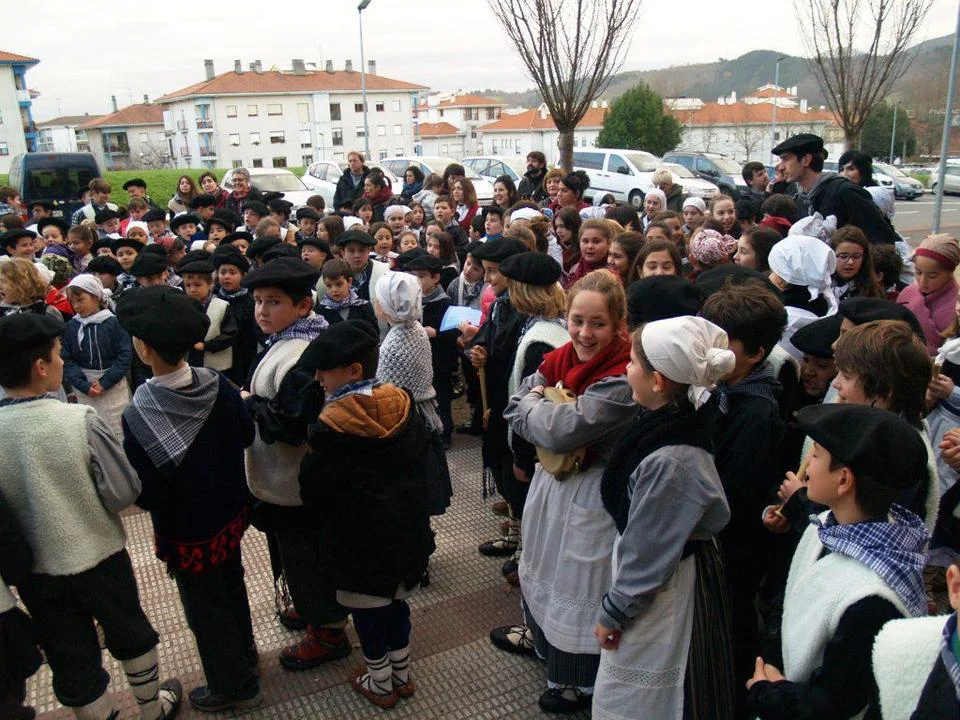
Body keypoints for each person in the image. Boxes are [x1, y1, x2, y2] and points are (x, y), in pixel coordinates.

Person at [0, 312, 183, 720]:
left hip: (38, 573)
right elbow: (123, 492)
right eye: (58, 353)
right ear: (41, 366)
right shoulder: (78, 420)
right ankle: (152, 709)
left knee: (70, 654)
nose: (63, 361)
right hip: (100, 555)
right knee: (130, 632)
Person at [117, 286, 261, 713]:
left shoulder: (140, 412)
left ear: (144, 348)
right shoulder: (216, 384)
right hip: (231, 514)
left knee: (205, 608)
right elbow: (246, 435)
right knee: (232, 584)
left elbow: (148, 492)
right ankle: (245, 653)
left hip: (187, 533)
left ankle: (234, 686)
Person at [503, 270, 637, 713]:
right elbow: (517, 406)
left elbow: (560, 431)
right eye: (577, 321)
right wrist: (540, 408)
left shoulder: (622, 378)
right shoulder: (560, 357)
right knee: (546, 567)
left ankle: (579, 683)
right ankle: (544, 646)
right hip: (553, 486)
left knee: (579, 582)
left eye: (598, 323)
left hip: (594, 494)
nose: (584, 333)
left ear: (619, 325)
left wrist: (537, 403)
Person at [747, 404, 931, 719]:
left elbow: (836, 699)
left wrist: (768, 693)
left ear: (844, 480)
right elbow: (791, 602)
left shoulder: (873, 597)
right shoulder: (824, 528)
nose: (808, 462)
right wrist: (772, 662)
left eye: (817, 455)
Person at [593, 315, 735, 719]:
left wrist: (614, 611)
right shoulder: (669, 421)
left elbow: (649, 551)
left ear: (657, 381)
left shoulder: (673, 462)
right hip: (660, 575)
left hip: (666, 586)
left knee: (649, 693)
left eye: (632, 363)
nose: (626, 369)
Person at [297, 320, 435, 709]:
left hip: (358, 546)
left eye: (325, 370)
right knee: (398, 606)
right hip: (405, 536)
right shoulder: (403, 407)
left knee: (368, 614)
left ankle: (380, 682)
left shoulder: (332, 426)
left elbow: (314, 488)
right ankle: (402, 675)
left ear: (353, 371)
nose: (319, 378)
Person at [240, 257, 350, 670]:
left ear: (303, 306)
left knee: (308, 558)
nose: (262, 311)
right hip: (287, 479)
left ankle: (328, 632)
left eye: (274, 302)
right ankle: (311, 610)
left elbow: (291, 426)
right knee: (297, 555)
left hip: (299, 483)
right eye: (258, 301)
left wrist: (250, 404)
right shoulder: (288, 340)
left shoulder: (302, 357)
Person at [699, 280, 788, 717]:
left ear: (755, 354)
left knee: (731, 629)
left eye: (724, 344)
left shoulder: (756, 412)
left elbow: (734, 491)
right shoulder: (724, 389)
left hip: (734, 549)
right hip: (722, 541)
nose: (711, 351)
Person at [772, 133, 899, 244]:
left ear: (806, 160)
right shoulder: (794, 193)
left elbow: (881, 239)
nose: (780, 167)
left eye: (786, 159)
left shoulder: (845, 192)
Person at [61, 274, 132, 438]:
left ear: (96, 297)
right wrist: (83, 384)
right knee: (90, 431)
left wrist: (105, 382)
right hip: (84, 387)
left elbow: (124, 355)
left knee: (118, 430)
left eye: (80, 300)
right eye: (72, 301)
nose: (76, 306)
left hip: (113, 385)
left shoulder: (113, 323)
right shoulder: (72, 327)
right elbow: (67, 359)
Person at [406, 253, 459, 449]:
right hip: (419, 358)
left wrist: (436, 332)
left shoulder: (444, 302)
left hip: (439, 359)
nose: (416, 281)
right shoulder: (413, 300)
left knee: (441, 397)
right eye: (413, 276)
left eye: (421, 276)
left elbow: (454, 330)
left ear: (435, 278)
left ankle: (445, 431)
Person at [897, 233, 960, 355]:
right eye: (918, 272)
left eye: (932, 276)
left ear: (950, 272)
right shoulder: (906, 294)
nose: (922, 281)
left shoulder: (957, 306)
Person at [178, 258, 237, 374]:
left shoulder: (222, 306)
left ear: (210, 284)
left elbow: (230, 334)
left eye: (198, 285)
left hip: (216, 364)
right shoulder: (182, 306)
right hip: (190, 362)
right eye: (188, 285)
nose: (192, 290)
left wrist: (208, 345)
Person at [211, 247, 258, 386]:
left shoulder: (250, 301)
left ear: (243, 275)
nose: (226, 277)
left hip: (244, 354)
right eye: (223, 272)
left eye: (232, 273)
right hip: (219, 356)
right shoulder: (214, 299)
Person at [315, 258, 377, 331]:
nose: (334, 290)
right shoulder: (321, 311)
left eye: (339, 284)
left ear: (349, 282)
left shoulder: (363, 306)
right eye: (329, 286)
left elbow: (374, 332)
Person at [830, 226, 883, 302]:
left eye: (856, 256)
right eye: (843, 256)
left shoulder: (872, 291)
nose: (850, 262)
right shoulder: (820, 287)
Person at [566, 218, 614, 288]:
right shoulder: (574, 269)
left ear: (609, 243)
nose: (590, 246)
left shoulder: (613, 274)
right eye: (585, 241)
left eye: (596, 241)